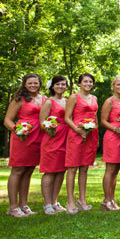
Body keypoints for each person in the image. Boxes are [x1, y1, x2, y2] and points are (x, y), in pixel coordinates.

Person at [4, 73, 45, 217]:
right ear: (25, 84)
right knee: (18, 170)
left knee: (29, 171)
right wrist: (18, 130)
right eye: (30, 83)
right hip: (22, 138)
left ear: (40, 84)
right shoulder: (19, 100)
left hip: (38, 137)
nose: (33, 85)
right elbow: (8, 120)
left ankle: (24, 204)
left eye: (36, 83)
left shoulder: (44, 99)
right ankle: (13, 207)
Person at [64, 73, 99, 214]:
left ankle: (82, 200)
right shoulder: (74, 97)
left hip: (91, 135)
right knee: (72, 168)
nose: (88, 84)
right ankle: (70, 200)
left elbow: (95, 117)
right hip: (76, 133)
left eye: (90, 82)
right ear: (79, 83)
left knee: (85, 168)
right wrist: (78, 130)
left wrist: (96, 136)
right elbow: (67, 118)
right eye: (85, 81)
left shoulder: (94, 98)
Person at [39, 75, 69, 215]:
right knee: (50, 171)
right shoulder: (49, 102)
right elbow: (42, 122)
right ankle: (47, 204)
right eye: (58, 84)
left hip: (65, 137)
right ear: (52, 86)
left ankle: (55, 201)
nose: (60, 87)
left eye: (63, 84)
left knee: (61, 170)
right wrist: (50, 131)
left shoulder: (67, 101)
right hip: (52, 138)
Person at [100, 75, 120, 211]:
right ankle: (106, 200)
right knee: (110, 169)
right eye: (118, 84)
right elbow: (103, 120)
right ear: (113, 86)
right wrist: (115, 128)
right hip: (113, 136)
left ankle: (112, 198)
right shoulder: (109, 101)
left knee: (116, 170)